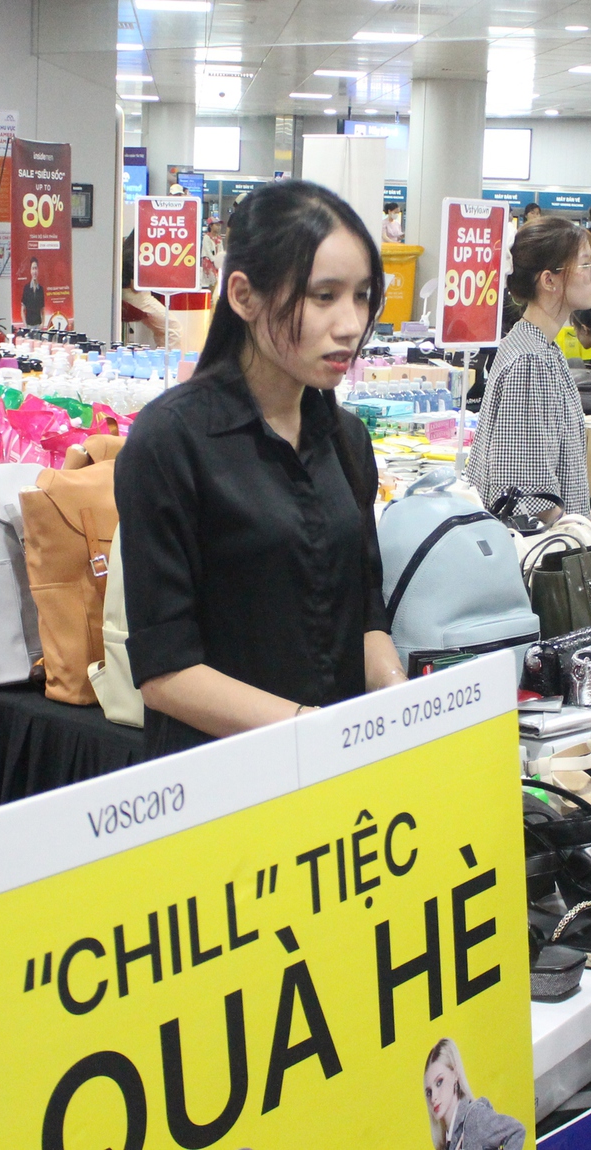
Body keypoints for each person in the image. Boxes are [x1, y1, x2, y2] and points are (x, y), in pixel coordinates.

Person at [115, 180, 406, 758]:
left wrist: (396, 698)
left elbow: (365, 612)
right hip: (222, 779)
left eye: (362, 296)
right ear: (244, 296)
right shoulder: (170, 441)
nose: (350, 324)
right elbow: (165, 671)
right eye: (323, 296)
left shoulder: (347, 439)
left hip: (336, 772)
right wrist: (310, 730)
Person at [467, 218, 591, 522]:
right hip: (540, 546)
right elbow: (531, 498)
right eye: (585, 264)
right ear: (549, 280)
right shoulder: (529, 362)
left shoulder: (543, 349)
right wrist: (585, 535)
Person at [423, 1039, 524, 1150]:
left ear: (455, 1074)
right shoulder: (447, 1139)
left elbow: (516, 1131)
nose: (433, 1097)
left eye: (439, 1082)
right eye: (429, 1092)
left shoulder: (475, 1119)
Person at [20, 257, 46, 327]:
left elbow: (43, 310)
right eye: (33, 268)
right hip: (29, 326)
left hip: (38, 325)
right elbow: (22, 310)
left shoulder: (40, 289)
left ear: (38, 270)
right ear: (30, 271)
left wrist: (42, 324)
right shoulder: (26, 288)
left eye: (36, 268)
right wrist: (25, 326)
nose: (34, 271)